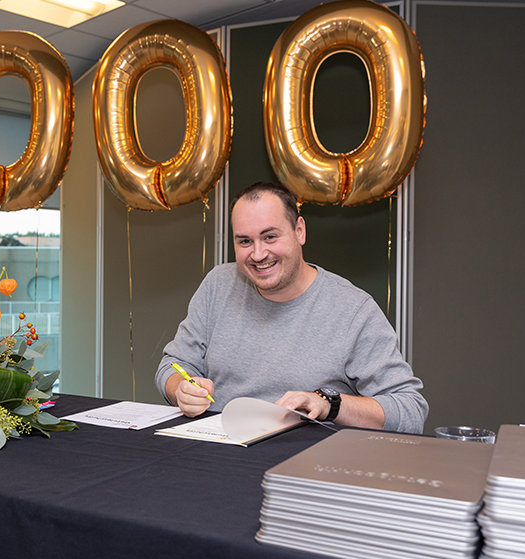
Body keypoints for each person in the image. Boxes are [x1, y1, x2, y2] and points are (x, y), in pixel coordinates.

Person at [155, 181, 428, 434]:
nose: (258, 254)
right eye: (245, 241)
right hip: (217, 450)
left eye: (270, 237)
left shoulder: (353, 309)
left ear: (300, 230)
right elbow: (173, 365)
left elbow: (410, 410)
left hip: (304, 465)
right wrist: (181, 389)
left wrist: (329, 405)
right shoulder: (218, 285)